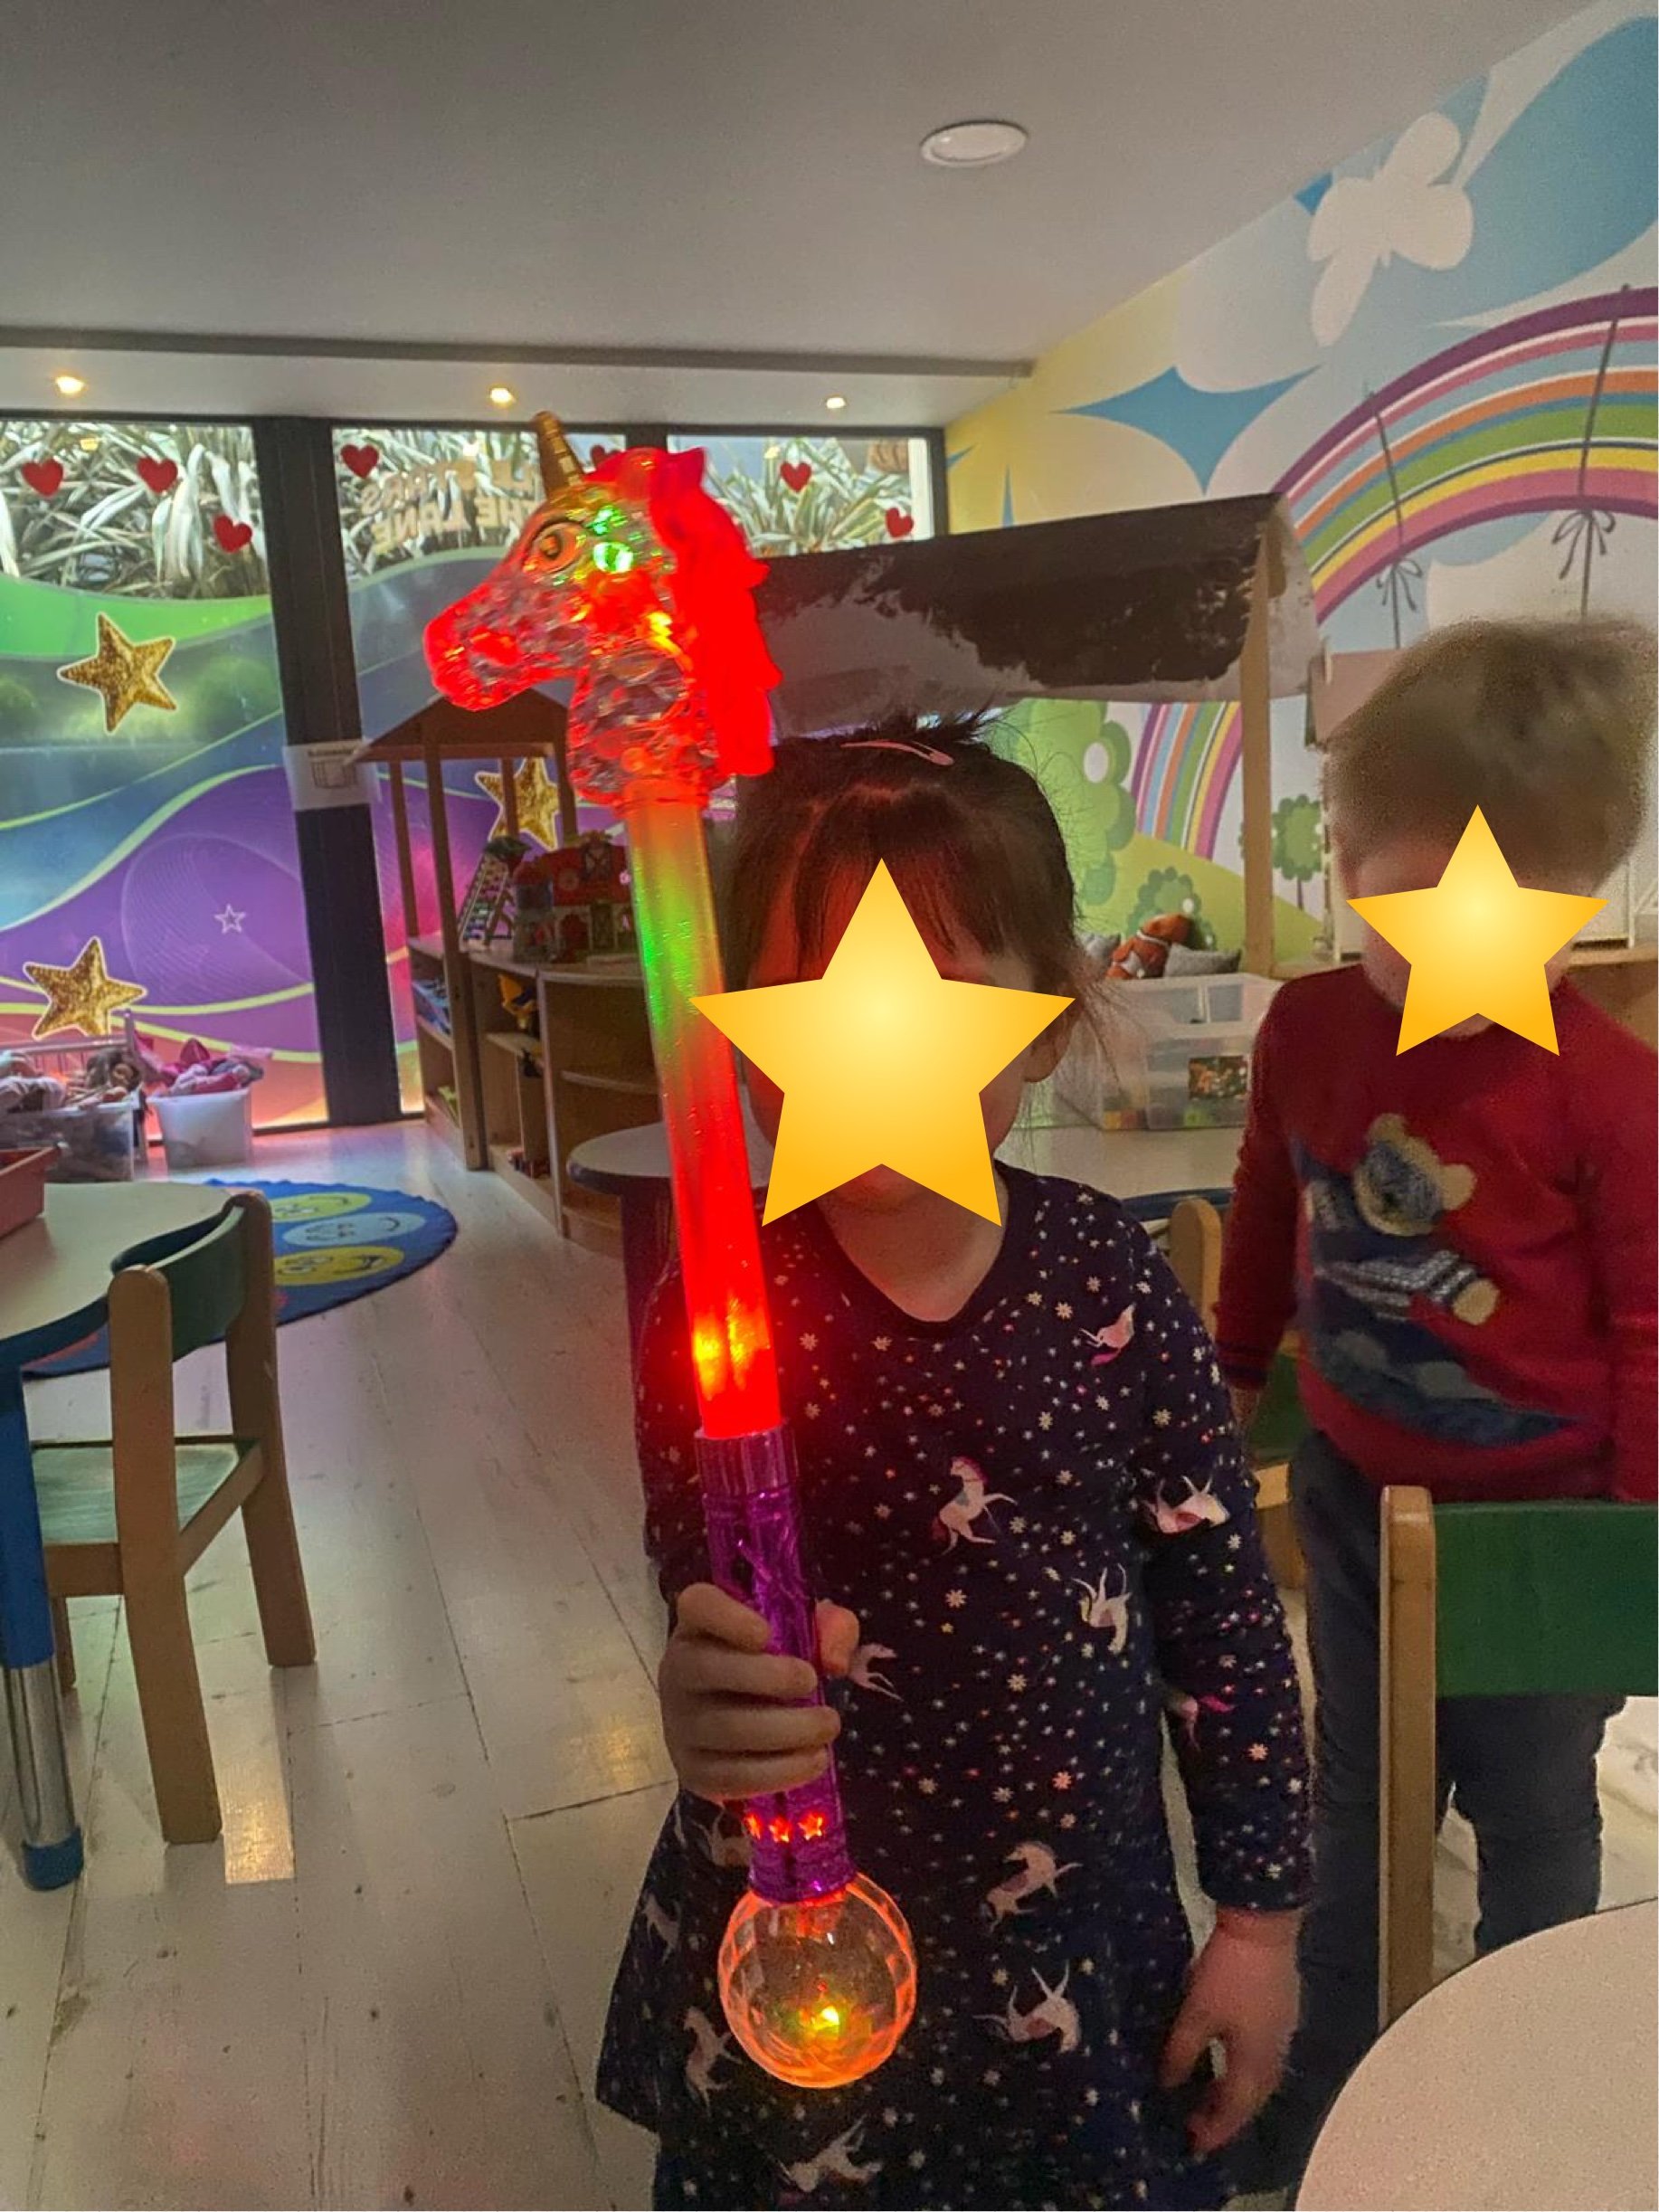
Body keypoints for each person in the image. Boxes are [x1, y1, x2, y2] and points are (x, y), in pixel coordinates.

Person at [597, 717, 1310, 2210]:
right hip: (806, 1938)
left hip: (1073, 1955)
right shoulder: (717, 1309)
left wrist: (1257, 1923)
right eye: (813, 992)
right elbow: (694, 1565)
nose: (868, 1039)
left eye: (934, 991)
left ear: (1046, 1017)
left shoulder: (1109, 1284)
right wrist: (703, 1683)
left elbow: (1225, 1621)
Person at [1216, 618, 1658, 2188]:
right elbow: (1263, 1207)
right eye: (1397, 915)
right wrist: (1231, 1376)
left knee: (1532, 1813)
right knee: (1357, 1800)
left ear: (1575, 901)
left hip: (1549, 1518)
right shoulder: (1306, 1029)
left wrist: (1626, 1538)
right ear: (1343, 865)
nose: (1434, 967)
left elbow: (1649, 1318)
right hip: (1356, 1501)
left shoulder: (1608, 1087)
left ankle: (1526, 2093)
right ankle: (1327, 2076)